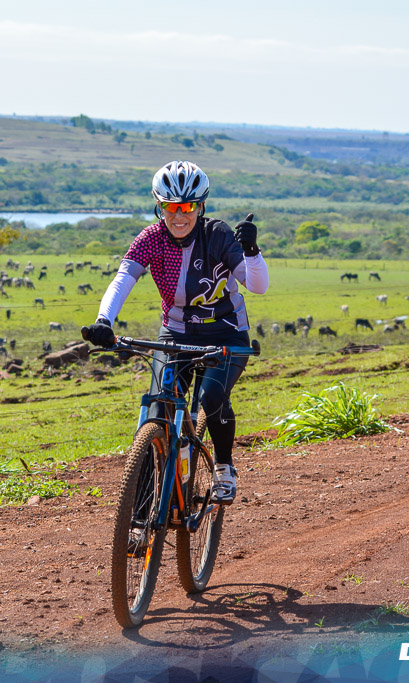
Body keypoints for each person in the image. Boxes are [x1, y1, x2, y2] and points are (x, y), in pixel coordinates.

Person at [86, 160, 269, 504]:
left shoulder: (217, 235)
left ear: (200, 207)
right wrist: (104, 321)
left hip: (226, 334)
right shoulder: (151, 239)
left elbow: (257, 286)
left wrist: (251, 252)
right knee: (158, 408)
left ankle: (224, 468)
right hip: (176, 333)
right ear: (160, 207)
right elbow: (123, 279)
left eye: (187, 207)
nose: (179, 215)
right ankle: (140, 511)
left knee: (211, 399)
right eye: (170, 207)